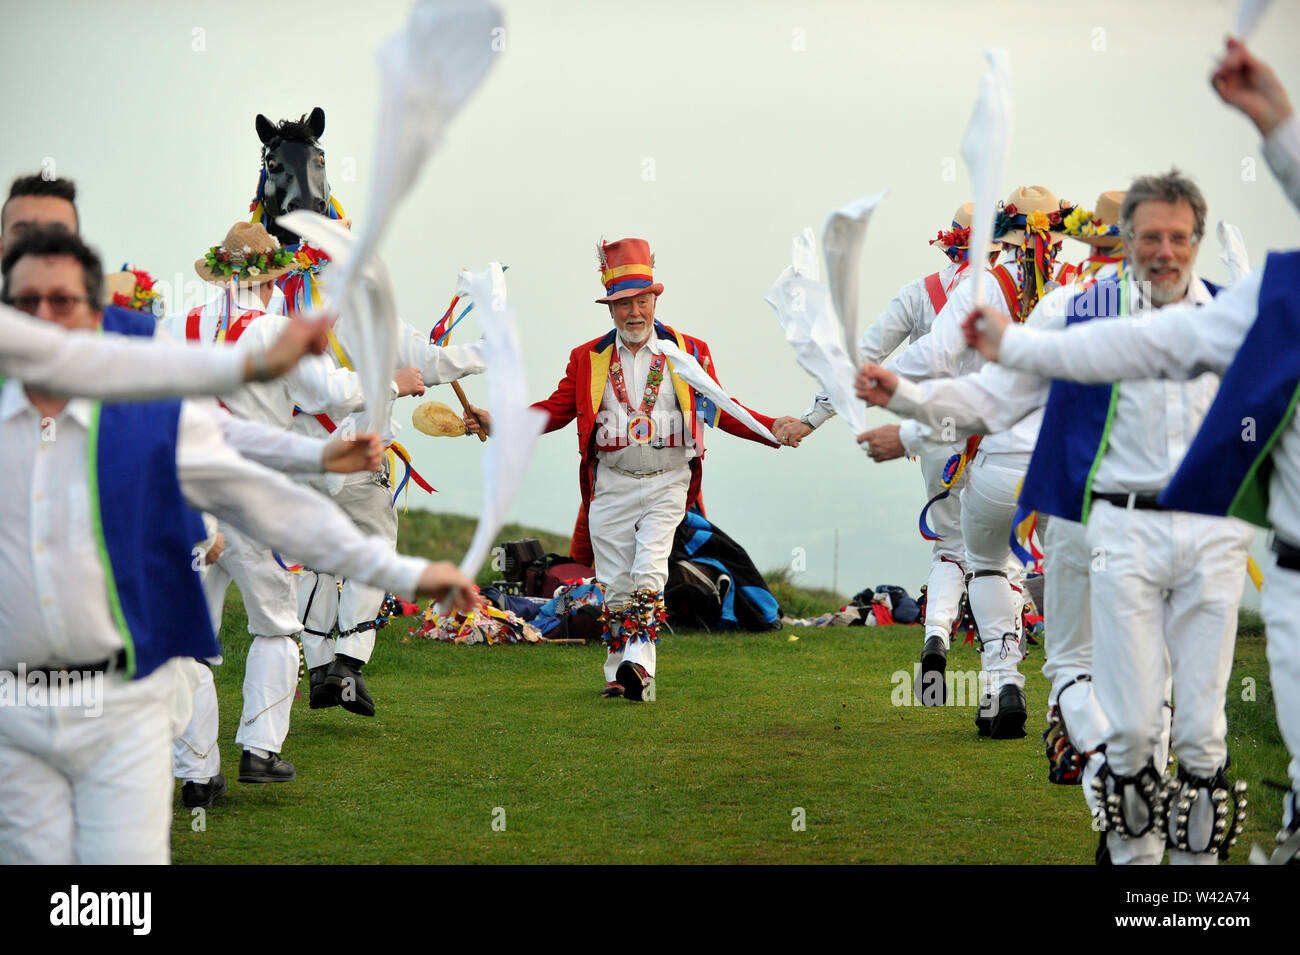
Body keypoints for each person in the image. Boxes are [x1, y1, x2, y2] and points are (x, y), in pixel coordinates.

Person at [0, 225, 476, 864]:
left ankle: (196, 772)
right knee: (275, 625)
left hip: (187, 502)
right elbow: (330, 394)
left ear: (217, 275)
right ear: (272, 275)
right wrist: (393, 382)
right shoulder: (270, 334)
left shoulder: (176, 327)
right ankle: (259, 747)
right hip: (250, 494)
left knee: (188, 634)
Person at [463, 237, 781, 701]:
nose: (634, 313)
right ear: (609, 308)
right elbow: (555, 410)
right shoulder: (587, 359)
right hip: (610, 483)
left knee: (651, 569)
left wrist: (773, 429)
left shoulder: (688, 350)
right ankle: (618, 672)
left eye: (642, 300)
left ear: (656, 298)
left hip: (668, 480)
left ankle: (640, 665)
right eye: (623, 304)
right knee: (614, 583)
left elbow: (722, 409)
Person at [868, 185, 1074, 737]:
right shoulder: (1082, 287)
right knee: (1060, 567)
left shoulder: (978, 286)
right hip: (1066, 463)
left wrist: (882, 386)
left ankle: (1002, 681)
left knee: (979, 560)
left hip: (992, 450)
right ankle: (1077, 695)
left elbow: (934, 354)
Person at [770, 204, 981, 705]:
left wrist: (812, 418)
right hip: (999, 434)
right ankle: (1002, 680)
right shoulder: (1012, 290)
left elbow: (862, 360)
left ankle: (935, 637)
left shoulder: (918, 294)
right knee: (1001, 557)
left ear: (947, 242)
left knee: (949, 547)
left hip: (934, 439)